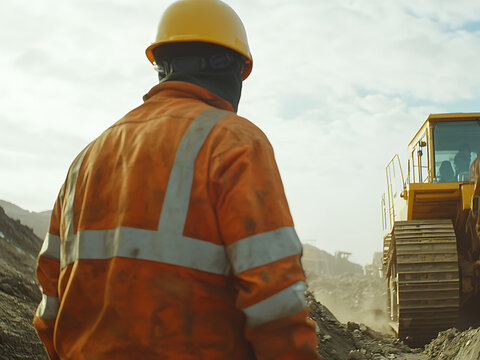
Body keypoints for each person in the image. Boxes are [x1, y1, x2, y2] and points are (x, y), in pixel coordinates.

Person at [32, 1, 319, 358]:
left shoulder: (87, 159)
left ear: (162, 67)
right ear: (233, 67)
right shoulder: (235, 142)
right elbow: (274, 298)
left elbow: (51, 299)